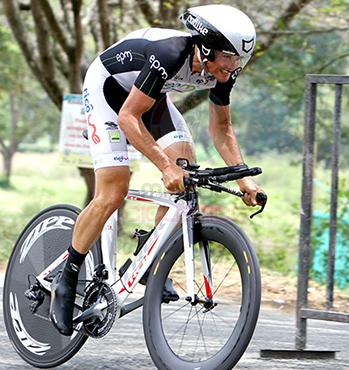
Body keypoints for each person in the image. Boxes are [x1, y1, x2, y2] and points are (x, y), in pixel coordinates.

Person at [50, 4, 266, 336]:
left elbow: (222, 129)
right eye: (227, 57)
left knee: (186, 169)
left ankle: (148, 256)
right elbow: (127, 117)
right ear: (206, 46)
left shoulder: (223, 70)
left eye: (238, 59)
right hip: (108, 93)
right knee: (114, 192)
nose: (232, 66)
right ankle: (67, 278)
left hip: (150, 97)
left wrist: (244, 180)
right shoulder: (169, 53)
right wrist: (163, 167)